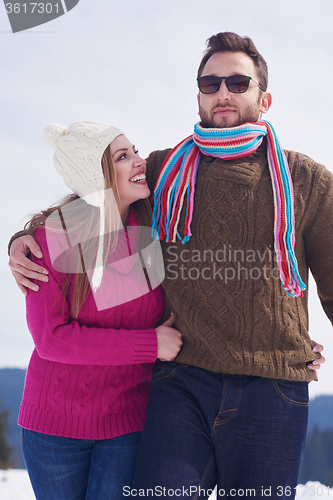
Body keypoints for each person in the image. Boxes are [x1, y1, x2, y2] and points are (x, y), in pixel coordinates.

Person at [8, 33, 329, 499]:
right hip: (182, 383)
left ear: (265, 97)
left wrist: (291, 336)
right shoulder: (165, 173)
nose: (223, 93)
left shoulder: (307, 180)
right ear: (198, 95)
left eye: (238, 82)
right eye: (210, 82)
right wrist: (22, 240)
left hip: (270, 387)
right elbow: (92, 200)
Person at [14, 121, 182, 500]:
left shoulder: (155, 230)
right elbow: (52, 340)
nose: (140, 161)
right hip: (54, 428)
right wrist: (149, 345)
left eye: (134, 150)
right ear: (97, 175)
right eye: (123, 156)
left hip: (127, 424)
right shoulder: (54, 238)